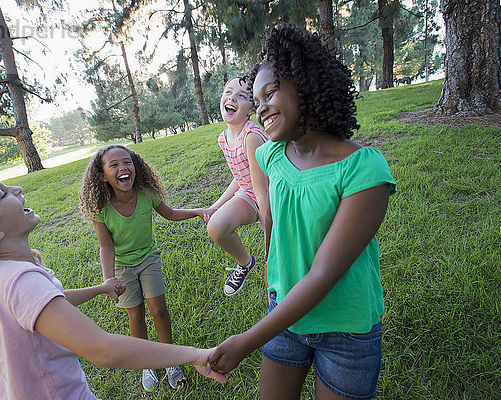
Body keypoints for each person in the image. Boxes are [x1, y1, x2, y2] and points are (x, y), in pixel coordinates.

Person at [208, 24, 397, 400]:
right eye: (255, 99)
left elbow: (325, 272)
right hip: (283, 312)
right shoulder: (269, 155)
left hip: (347, 330)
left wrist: (248, 340)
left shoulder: (364, 169)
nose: (260, 106)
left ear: (306, 86)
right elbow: (271, 219)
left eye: (270, 92)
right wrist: (271, 273)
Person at [0, 171, 225, 400]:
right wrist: (195, 355)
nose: (17, 190)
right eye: (2, 193)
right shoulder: (19, 281)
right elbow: (104, 350)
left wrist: (100, 287)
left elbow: (48, 304)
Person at [79, 145, 212, 392]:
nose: (123, 168)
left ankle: (172, 360)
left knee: (159, 310)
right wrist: (108, 279)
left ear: (135, 166)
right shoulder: (102, 209)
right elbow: (106, 246)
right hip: (122, 266)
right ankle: (146, 364)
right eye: (114, 165)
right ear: (102, 175)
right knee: (136, 314)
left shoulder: (146, 193)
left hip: (148, 258)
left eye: (127, 162)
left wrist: (198, 211)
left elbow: (170, 213)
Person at [206, 76, 269, 296]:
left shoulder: (251, 136)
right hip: (250, 193)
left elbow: (263, 189)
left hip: (272, 196)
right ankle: (245, 262)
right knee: (216, 227)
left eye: (242, 96)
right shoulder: (223, 138)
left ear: (251, 108)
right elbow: (241, 176)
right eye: (228, 92)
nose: (232, 97)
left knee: (279, 251)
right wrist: (216, 205)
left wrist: (269, 244)